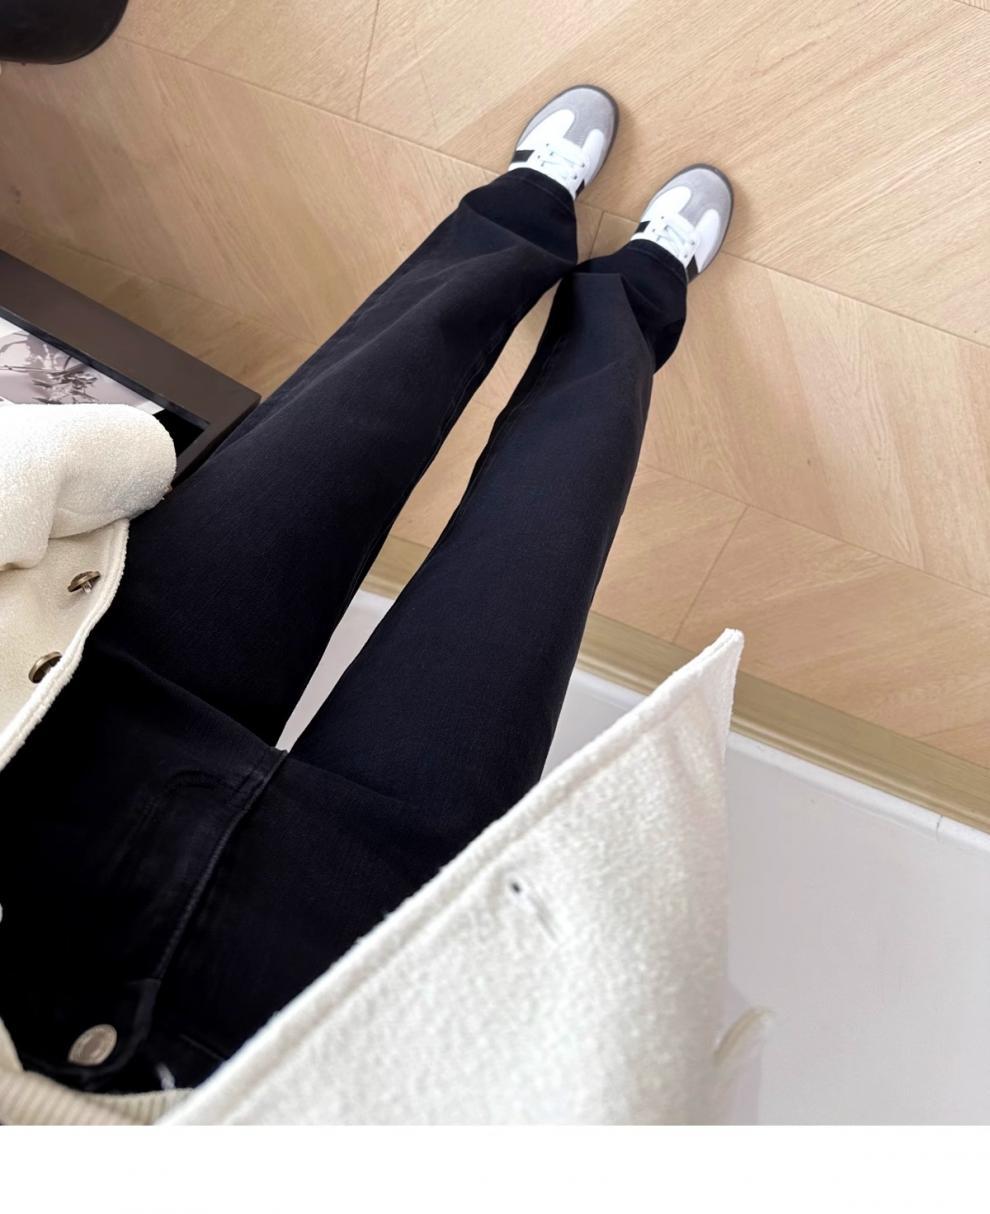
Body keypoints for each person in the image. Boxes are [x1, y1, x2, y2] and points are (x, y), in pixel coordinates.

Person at [0, 85, 733, 1097]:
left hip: (58, 728)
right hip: (332, 973)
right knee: (542, 538)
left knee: (345, 418)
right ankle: (635, 300)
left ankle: (523, 210)